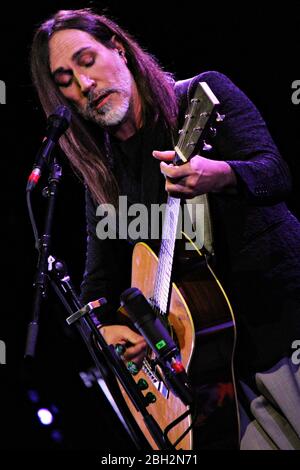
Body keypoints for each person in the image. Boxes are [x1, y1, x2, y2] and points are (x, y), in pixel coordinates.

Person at [30, 8, 300, 450]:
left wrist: (223, 174)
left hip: (281, 325)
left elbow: (275, 173)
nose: (84, 85)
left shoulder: (200, 95)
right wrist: (108, 329)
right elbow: (96, 284)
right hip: (214, 375)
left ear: (118, 48)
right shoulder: (103, 173)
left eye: (87, 60)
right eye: (65, 81)